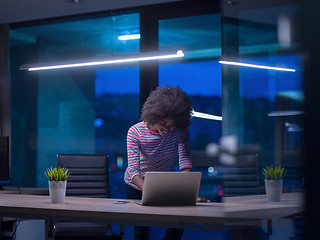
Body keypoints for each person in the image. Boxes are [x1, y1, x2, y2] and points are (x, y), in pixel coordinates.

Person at [124, 85, 206, 240]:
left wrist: (187, 193)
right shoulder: (134, 132)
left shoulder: (180, 131)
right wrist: (150, 192)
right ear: (153, 116)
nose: (168, 129)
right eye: (163, 124)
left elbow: (185, 161)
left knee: (177, 228)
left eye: (172, 125)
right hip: (136, 184)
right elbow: (134, 170)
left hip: (164, 184)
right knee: (141, 231)